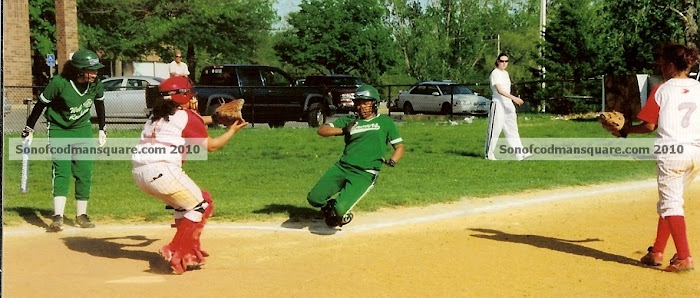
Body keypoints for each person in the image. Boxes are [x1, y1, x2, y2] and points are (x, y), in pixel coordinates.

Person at [131, 76, 248, 274]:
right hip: (163, 171)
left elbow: (192, 122)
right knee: (201, 204)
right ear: (181, 96)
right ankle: (175, 250)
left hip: (140, 173)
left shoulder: (156, 116)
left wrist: (214, 119)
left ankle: (187, 250)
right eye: (189, 94)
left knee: (187, 204)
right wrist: (232, 130)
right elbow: (211, 146)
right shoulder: (187, 116)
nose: (192, 98)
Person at [607, 42, 698, 272]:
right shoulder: (698, 88)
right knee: (670, 201)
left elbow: (648, 126)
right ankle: (657, 251)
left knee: (671, 204)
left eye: (661, 63)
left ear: (669, 65)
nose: (660, 67)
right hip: (696, 153)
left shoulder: (662, 89)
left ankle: (684, 257)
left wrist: (626, 130)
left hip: (671, 154)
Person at [22, 49, 107, 232]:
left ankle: (81, 215)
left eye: (96, 70)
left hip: (82, 128)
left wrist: (102, 128)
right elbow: (40, 105)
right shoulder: (59, 83)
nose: (95, 74)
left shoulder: (95, 84)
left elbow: (99, 103)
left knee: (84, 171)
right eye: (91, 70)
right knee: (62, 171)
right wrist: (29, 128)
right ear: (78, 70)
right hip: (59, 129)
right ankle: (58, 216)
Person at [307, 84, 405, 227]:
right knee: (314, 198)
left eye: (366, 103)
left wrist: (393, 160)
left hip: (364, 173)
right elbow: (322, 130)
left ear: (374, 103)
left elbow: (399, 147)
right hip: (342, 167)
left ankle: (342, 214)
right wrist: (343, 130)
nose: (362, 107)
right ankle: (329, 208)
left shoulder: (385, 122)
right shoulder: (350, 120)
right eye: (358, 103)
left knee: (340, 211)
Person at [484, 53, 530, 161]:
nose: (504, 63)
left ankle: (520, 153)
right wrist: (514, 98)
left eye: (506, 61)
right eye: (502, 61)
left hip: (507, 104)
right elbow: (500, 90)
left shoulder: (506, 74)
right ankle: (489, 154)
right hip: (498, 104)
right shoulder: (495, 73)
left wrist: (511, 100)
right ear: (498, 61)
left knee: (512, 129)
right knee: (495, 129)